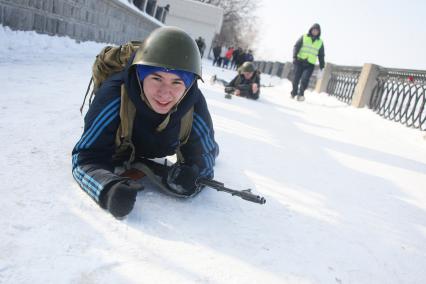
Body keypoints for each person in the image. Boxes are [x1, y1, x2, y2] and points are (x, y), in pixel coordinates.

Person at [72, 26, 219, 218]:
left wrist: (192, 175)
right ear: (140, 76)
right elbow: (85, 158)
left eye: (177, 82)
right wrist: (107, 189)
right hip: (122, 147)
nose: (165, 93)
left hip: (163, 143)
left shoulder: (194, 104)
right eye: (156, 78)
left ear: (189, 85)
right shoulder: (114, 95)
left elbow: (205, 158)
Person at [291, 23, 325, 101]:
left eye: (317, 30)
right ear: (311, 30)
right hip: (299, 61)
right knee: (296, 79)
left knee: (304, 79)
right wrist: (294, 56)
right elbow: (296, 46)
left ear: (319, 32)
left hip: (310, 64)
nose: (315, 31)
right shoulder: (304, 37)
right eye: (314, 30)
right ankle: (293, 93)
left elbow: (321, 55)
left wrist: (322, 66)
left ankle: (301, 95)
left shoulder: (320, 42)